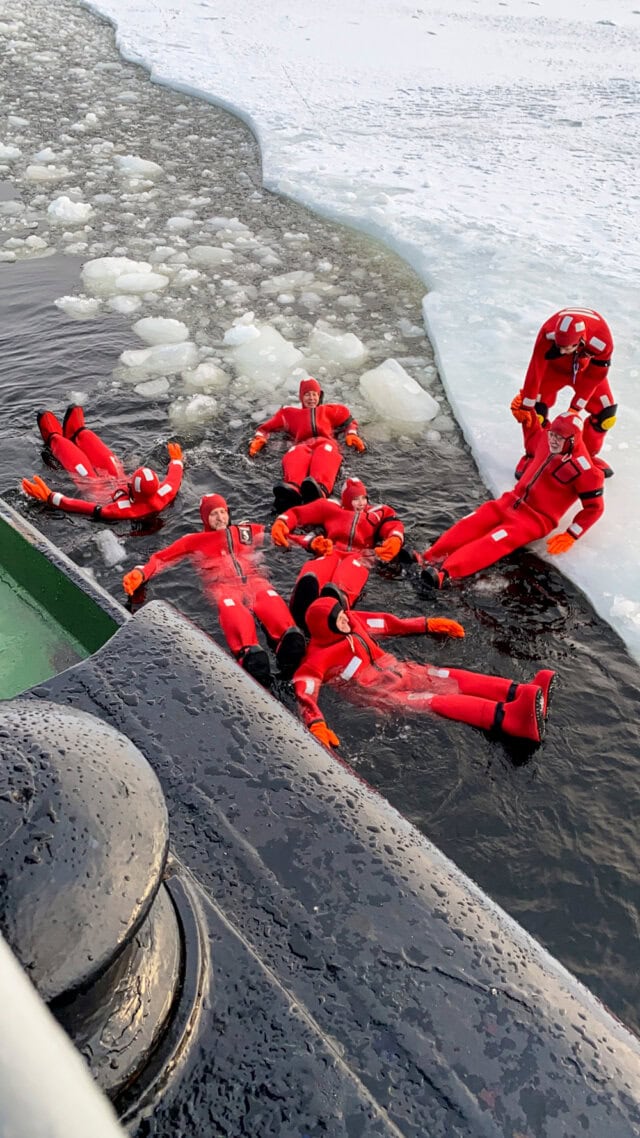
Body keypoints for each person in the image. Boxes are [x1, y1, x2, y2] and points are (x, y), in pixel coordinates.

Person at [294, 596, 555, 748]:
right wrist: (315, 723)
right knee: (437, 701)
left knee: (449, 676)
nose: (346, 620)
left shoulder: (353, 622)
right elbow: (305, 691)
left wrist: (427, 624)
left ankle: (522, 692)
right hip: (382, 695)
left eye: (343, 615)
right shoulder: (317, 659)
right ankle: (511, 718)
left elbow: (387, 623)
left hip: (400, 670)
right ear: (325, 627)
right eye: (339, 620)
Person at [121, 492, 306, 687]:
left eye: (223, 512)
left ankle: (288, 646)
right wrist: (141, 573)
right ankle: (249, 655)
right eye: (214, 514)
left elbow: (277, 535)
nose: (220, 518)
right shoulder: (193, 541)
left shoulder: (244, 531)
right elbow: (161, 558)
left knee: (285, 624)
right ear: (205, 518)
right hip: (223, 588)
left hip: (255, 581)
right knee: (241, 628)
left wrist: (306, 542)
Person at [421, 411, 604, 588]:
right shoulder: (545, 440)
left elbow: (594, 508)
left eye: (559, 437)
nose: (553, 440)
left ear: (572, 440)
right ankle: (428, 557)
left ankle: (446, 573)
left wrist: (572, 534)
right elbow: (532, 436)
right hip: (510, 501)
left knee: (493, 541)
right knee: (471, 523)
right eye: (552, 434)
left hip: (534, 520)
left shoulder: (586, 471)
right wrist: (528, 416)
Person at [271, 477, 405, 627]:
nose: (361, 503)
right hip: (331, 549)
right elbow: (299, 513)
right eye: (355, 499)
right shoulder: (330, 507)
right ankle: (300, 603)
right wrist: (282, 522)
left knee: (347, 576)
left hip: (360, 555)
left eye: (363, 498)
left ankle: (337, 603)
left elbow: (393, 524)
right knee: (314, 571)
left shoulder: (377, 513)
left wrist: (394, 539)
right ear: (347, 500)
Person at [21, 405, 183, 523]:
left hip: (99, 491)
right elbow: (173, 480)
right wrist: (176, 461)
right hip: (118, 480)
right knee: (109, 462)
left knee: (82, 469)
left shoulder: (121, 510)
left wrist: (50, 497)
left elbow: (84, 507)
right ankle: (78, 432)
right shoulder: (163, 494)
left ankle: (54, 437)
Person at [511, 307, 615, 477]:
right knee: (535, 413)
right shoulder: (548, 332)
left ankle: (585, 455)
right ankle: (535, 455)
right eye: (558, 347)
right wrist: (526, 404)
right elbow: (536, 367)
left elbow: (596, 376)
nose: (561, 352)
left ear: (581, 341)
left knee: (606, 414)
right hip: (553, 371)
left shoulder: (602, 340)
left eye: (566, 348)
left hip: (586, 372)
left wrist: (576, 407)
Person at [247, 376, 366, 510]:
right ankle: (292, 489)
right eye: (307, 394)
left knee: (324, 454)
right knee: (295, 454)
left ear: (319, 396)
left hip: (326, 443)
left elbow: (350, 422)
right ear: (301, 397)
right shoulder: (289, 414)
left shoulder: (330, 411)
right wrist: (259, 439)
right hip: (301, 445)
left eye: (314, 394)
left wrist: (352, 434)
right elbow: (265, 428)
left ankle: (320, 489)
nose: (311, 398)